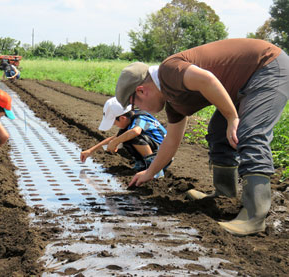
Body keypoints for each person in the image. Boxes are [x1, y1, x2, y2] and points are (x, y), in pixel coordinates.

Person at [115, 38, 289, 236]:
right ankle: (224, 194)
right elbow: (171, 141)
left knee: (249, 133)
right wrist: (150, 172)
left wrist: (232, 117)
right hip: (245, 80)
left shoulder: (169, 71)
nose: (139, 111)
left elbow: (207, 79)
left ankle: (254, 216)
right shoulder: (173, 100)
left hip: (267, 67)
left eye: (136, 106)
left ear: (141, 90)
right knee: (217, 131)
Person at [80, 97, 172, 178]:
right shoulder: (129, 123)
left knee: (131, 136)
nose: (115, 126)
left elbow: (135, 132)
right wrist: (90, 151)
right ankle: (142, 165)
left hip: (163, 155)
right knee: (124, 137)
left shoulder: (140, 117)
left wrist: (115, 142)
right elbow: (113, 139)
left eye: (115, 123)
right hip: (158, 152)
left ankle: (154, 169)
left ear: (123, 118)